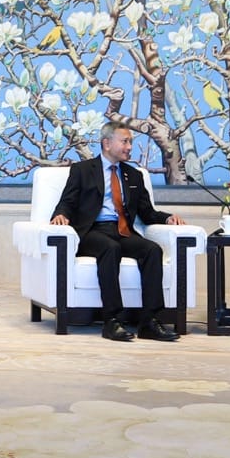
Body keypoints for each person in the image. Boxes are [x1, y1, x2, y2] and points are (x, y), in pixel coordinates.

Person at [49, 120, 182, 343]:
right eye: (125, 142)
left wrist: (167, 218)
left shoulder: (134, 175)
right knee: (110, 248)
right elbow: (68, 201)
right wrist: (60, 214)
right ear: (107, 143)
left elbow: (147, 212)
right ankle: (112, 321)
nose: (129, 147)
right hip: (92, 231)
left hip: (122, 231)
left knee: (152, 250)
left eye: (130, 142)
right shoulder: (83, 170)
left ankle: (149, 322)